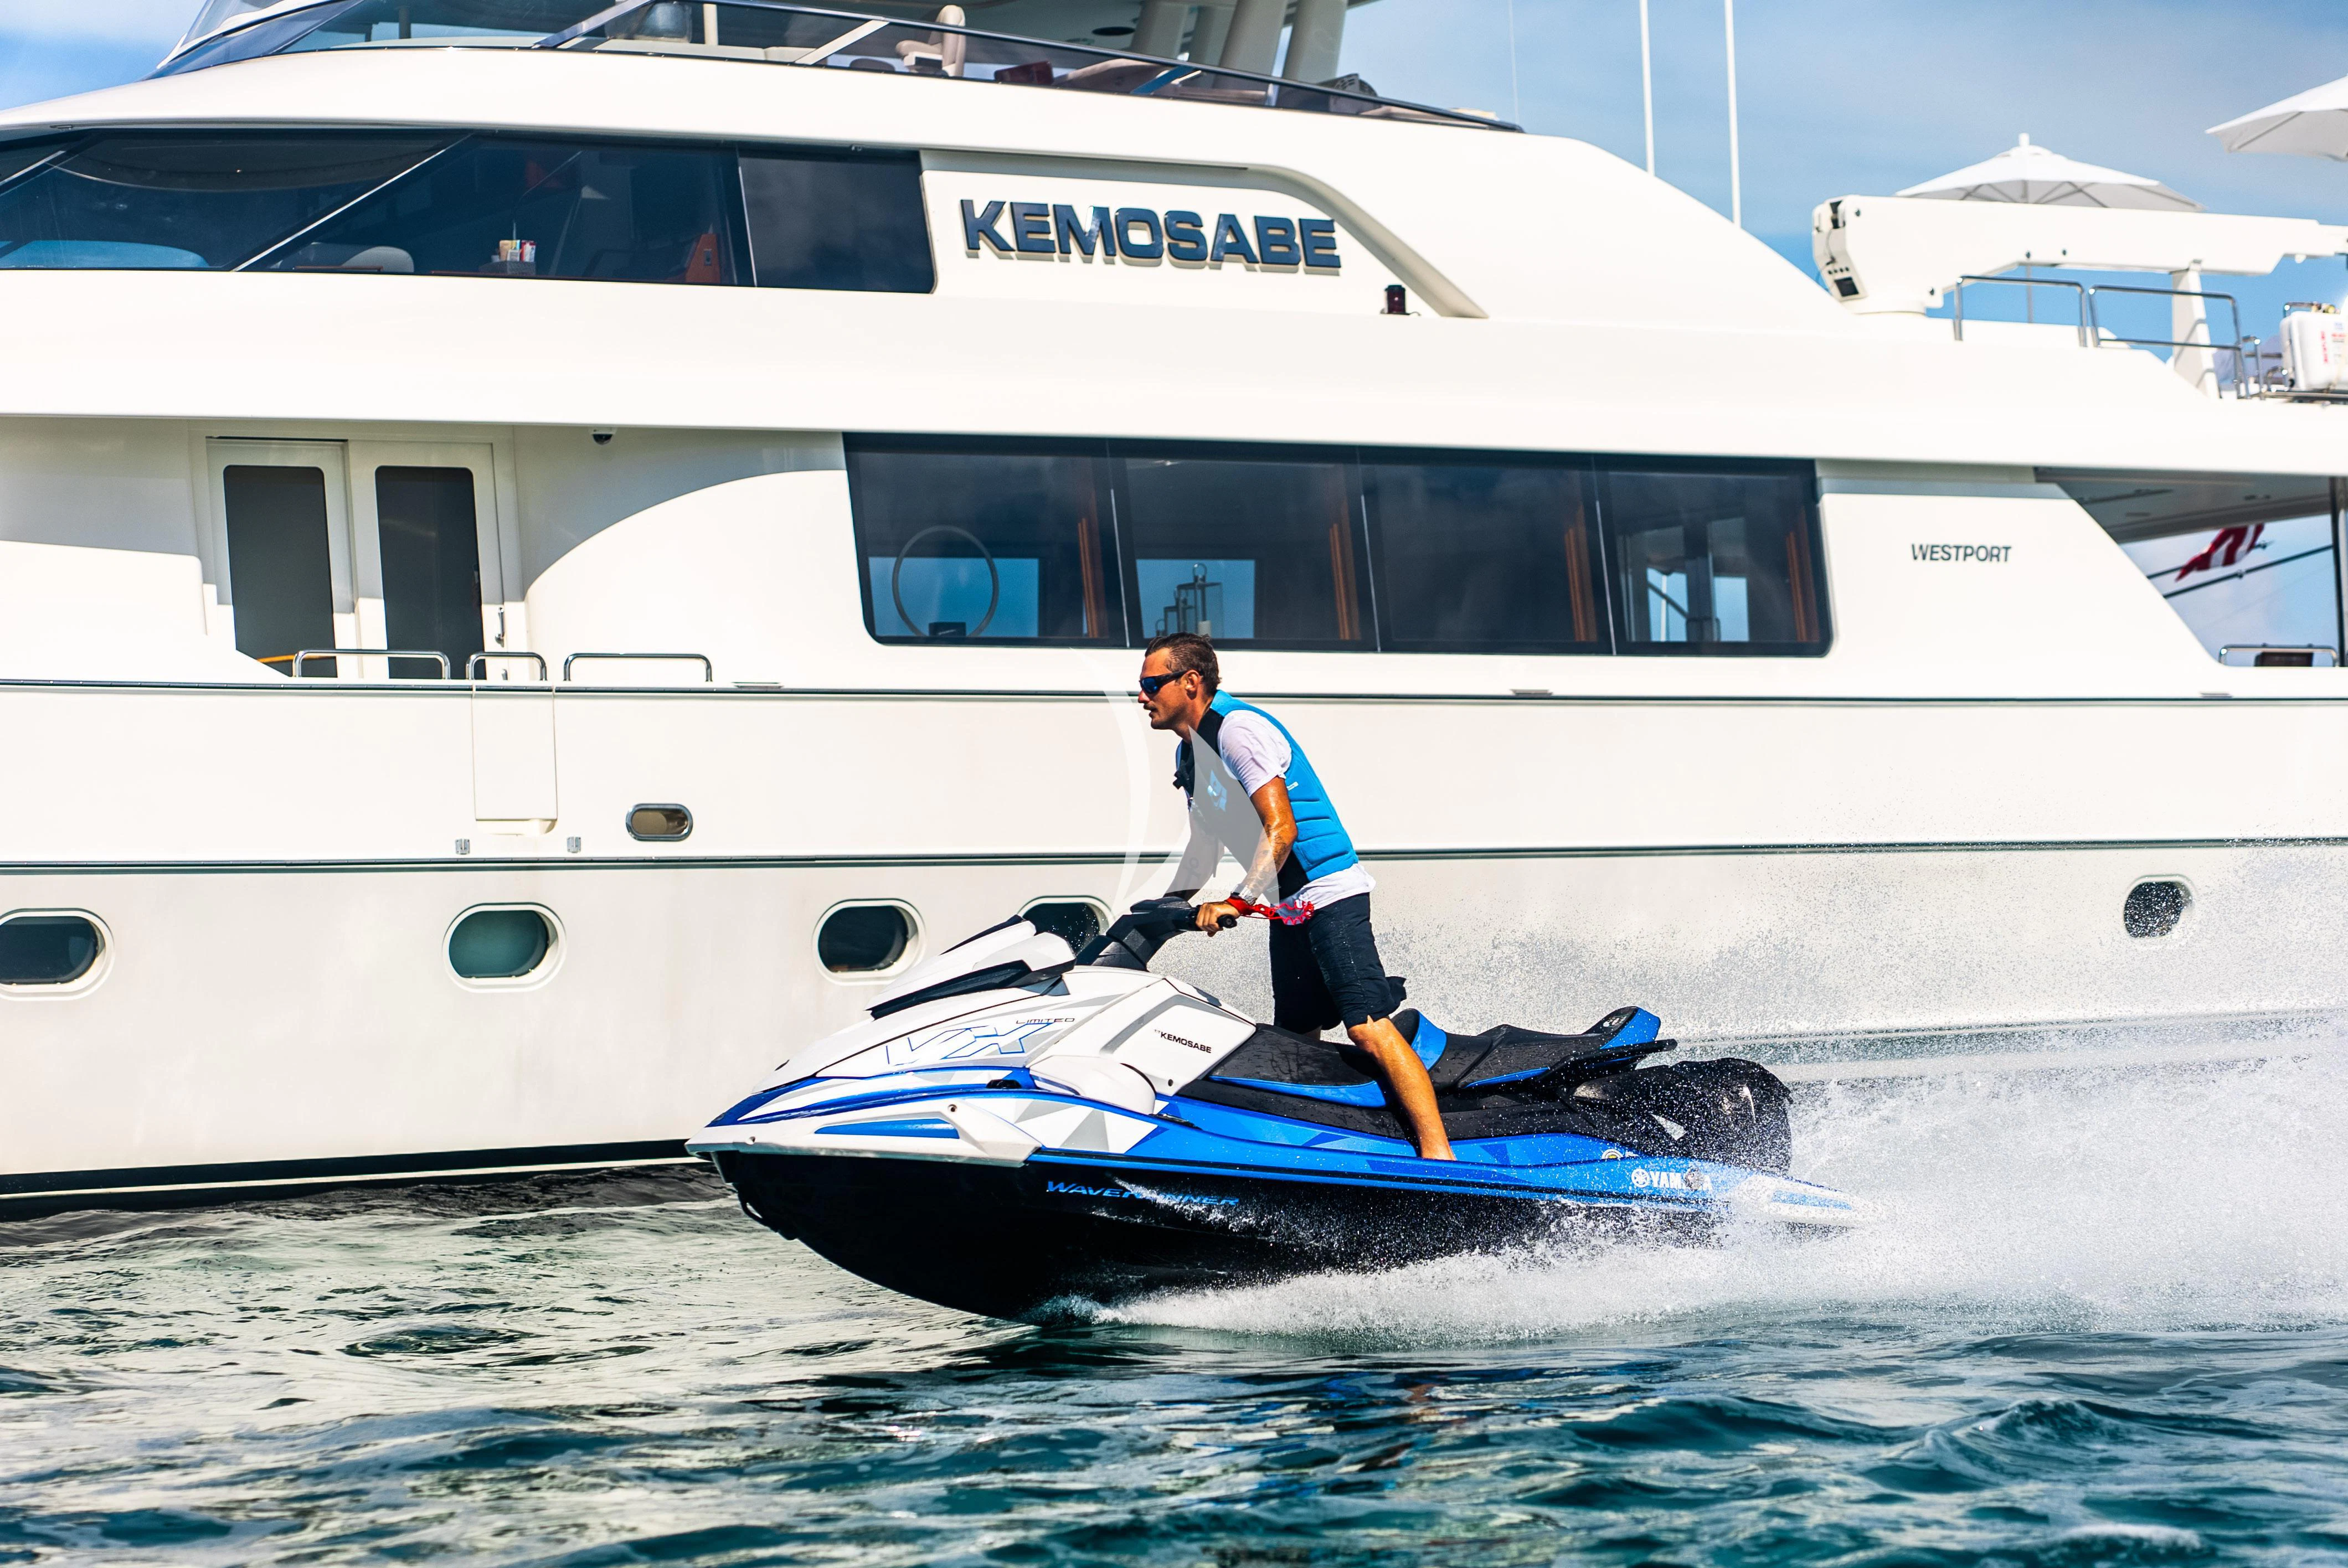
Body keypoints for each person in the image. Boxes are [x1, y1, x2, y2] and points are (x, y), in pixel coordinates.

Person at [1135, 631, 1454, 1160]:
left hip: (1330, 894)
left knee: (1367, 1029)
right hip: (1289, 906)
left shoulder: (1238, 731)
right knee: (1295, 1038)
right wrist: (1163, 911)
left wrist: (1236, 902)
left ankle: (1439, 1157)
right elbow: (1203, 848)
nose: (1141, 696)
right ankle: (1336, 1144)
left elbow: (1281, 830)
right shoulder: (1189, 754)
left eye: (1151, 684)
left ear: (1191, 683)